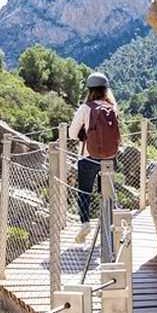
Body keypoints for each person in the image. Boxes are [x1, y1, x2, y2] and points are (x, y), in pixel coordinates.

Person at [68, 71, 119, 243]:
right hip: (109, 158)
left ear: (89, 90)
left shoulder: (86, 108)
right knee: (106, 193)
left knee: (84, 192)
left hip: (88, 157)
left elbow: (72, 133)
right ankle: (108, 226)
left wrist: (84, 133)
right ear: (105, 90)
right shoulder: (112, 108)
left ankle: (85, 222)